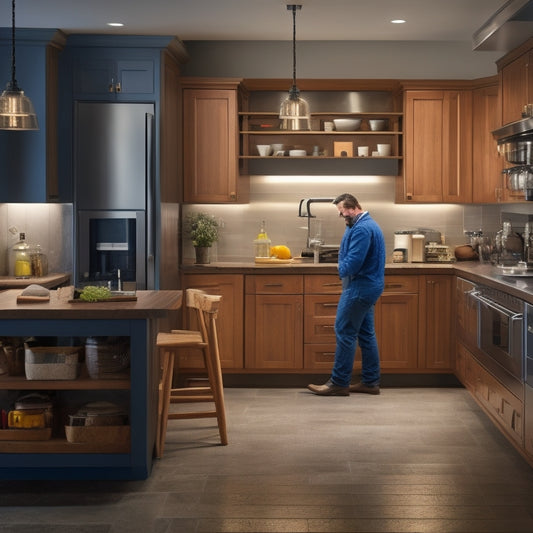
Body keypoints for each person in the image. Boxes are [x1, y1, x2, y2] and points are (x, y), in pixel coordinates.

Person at [307, 193, 386, 396]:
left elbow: (353, 263)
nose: (342, 216)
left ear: (354, 207)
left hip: (359, 287)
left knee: (344, 331)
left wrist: (340, 268)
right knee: (366, 334)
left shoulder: (362, 228)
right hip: (368, 286)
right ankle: (370, 382)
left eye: (343, 212)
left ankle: (339, 382)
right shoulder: (365, 225)